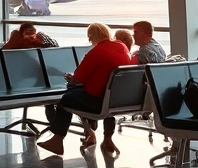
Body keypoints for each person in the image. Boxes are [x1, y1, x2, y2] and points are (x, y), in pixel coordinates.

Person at [37, 23, 131, 157]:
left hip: (97, 99)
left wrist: (71, 78)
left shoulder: (96, 52)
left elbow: (78, 78)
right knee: (79, 96)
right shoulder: (122, 47)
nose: (89, 41)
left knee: (66, 99)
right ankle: (107, 139)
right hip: (117, 98)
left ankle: (57, 140)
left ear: (93, 37)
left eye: (90, 37)